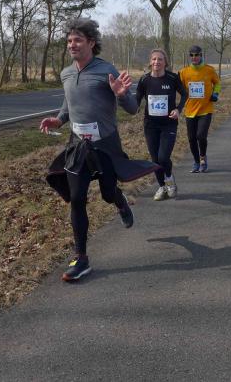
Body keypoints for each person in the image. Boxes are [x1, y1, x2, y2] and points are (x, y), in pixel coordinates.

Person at [40, 19, 159, 281]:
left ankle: (119, 200)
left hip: (105, 145)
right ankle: (81, 258)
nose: (72, 45)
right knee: (77, 198)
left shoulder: (105, 70)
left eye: (78, 40)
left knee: (106, 193)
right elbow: (68, 104)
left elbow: (132, 108)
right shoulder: (66, 73)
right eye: (69, 41)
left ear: (91, 43)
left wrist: (121, 94)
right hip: (78, 145)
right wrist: (58, 120)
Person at [136, 49, 188, 200]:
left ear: (165, 62)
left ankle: (170, 180)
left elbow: (184, 94)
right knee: (155, 159)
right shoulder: (144, 80)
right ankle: (162, 187)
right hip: (150, 125)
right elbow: (137, 100)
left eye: (160, 59)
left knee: (163, 157)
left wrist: (178, 109)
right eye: (154, 59)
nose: (156, 62)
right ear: (150, 61)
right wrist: (125, 99)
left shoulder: (172, 78)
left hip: (168, 124)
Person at [178, 45, 221, 173]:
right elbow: (179, 87)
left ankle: (203, 158)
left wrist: (215, 94)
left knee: (201, 136)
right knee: (191, 138)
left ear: (201, 55)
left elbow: (217, 83)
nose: (194, 57)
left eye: (196, 55)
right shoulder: (184, 72)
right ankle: (196, 162)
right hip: (190, 110)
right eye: (191, 55)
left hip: (205, 109)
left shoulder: (209, 70)